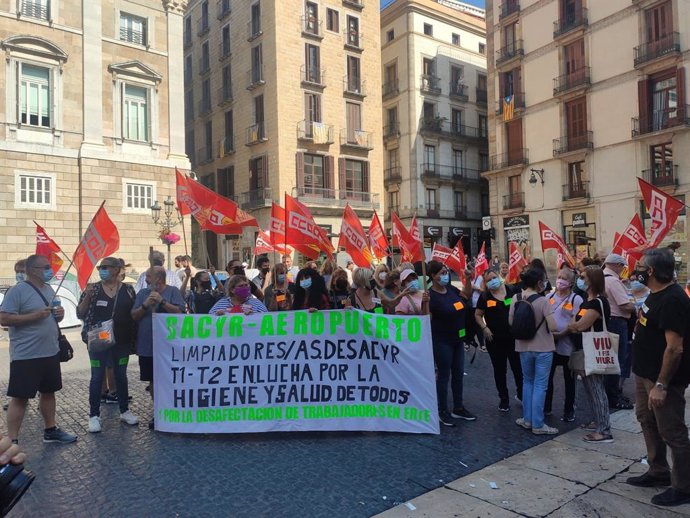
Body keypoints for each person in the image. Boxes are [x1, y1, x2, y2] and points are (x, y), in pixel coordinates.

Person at [626, 248, 690, 506]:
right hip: (644, 374)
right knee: (646, 419)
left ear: (650, 271)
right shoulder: (655, 294)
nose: (637, 269)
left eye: (640, 266)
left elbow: (675, 348)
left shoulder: (673, 299)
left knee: (672, 431)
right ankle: (658, 471)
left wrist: (661, 385)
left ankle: (684, 486)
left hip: (662, 380)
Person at [0, 254, 77, 444]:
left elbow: (51, 317)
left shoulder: (50, 289)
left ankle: (50, 430)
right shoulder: (17, 292)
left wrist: (59, 315)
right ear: (33, 270)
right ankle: (12, 440)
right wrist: (33, 316)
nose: (50, 270)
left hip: (50, 352)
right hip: (26, 355)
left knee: (49, 392)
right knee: (20, 397)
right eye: (46, 267)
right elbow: (4, 318)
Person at [77, 257, 139, 433]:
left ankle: (125, 410)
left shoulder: (128, 289)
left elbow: (133, 312)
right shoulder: (94, 289)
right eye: (100, 267)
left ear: (116, 269)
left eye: (105, 267)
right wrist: (87, 296)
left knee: (121, 375)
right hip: (99, 341)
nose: (101, 270)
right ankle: (94, 415)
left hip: (122, 341)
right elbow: (79, 313)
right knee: (97, 377)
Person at [131, 266, 185, 429]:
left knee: (171, 378)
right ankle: (159, 411)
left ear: (159, 279)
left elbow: (180, 313)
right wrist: (146, 305)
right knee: (153, 380)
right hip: (147, 345)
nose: (145, 280)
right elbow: (134, 316)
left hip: (169, 345)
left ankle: (175, 410)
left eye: (148, 277)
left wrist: (162, 302)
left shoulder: (173, 291)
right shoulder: (142, 294)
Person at [509, 267, 558, 435]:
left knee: (527, 382)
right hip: (543, 348)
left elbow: (511, 322)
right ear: (539, 283)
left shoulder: (515, 298)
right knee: (540, 385)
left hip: (523, 347)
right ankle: (538, 424)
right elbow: (553, 326)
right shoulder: (544, 301)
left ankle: (527, 419)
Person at [567, 266, 613, 443]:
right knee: (590, 389)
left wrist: (574, 325)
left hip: (593, 349)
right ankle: (598, 421)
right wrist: (575, 324)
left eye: (583, 277)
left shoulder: (597, 303)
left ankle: (604, 430)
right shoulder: (588, 302)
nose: (580, 279)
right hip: (586, 350)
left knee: (596, 389)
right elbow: (575, 322)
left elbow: (578, 325)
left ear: (592, 280)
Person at [427, 260, 476, 426]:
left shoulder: (451, 289)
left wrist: (468, 279)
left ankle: (458, 408)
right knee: (444, 376)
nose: (445, 275)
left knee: (458, 374)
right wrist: (423, 304)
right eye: (441, 273)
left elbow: (466, 295)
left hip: (458, 339)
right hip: (442, 341)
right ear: (433, 276)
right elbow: (425, 319)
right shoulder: (430, 296)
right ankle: (442, 410)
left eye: (445, 272)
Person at [475, 268, 523, 411]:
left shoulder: (511, 290)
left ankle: (521, 394)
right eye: (488, 280)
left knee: (518, 368)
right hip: (494, 340)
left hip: (513, 338)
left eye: (493, 278)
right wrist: (484, 328)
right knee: (499, 370)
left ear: (499, 277)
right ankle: (504, 399)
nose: (492, 281)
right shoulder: (485, 296)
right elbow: (477, 314)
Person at [544, 267, 582, 422]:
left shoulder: (576, 299)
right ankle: (546, 407)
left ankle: (569, 410)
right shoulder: (549, 296)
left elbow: (576, 321)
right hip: (550, 345)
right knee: (548, 377)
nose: (560, 280)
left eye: (564, 278)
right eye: (559, 276)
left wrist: (561, 334)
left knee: (569, 380)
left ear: (571, 282)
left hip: (567, 346)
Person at [602, 253, 635, 410]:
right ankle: (613, 397)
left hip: (606, 322)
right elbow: (624, 305)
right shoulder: (613, 281)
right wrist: (634, 307)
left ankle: (609, 394)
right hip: (616, 322)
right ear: (616, 265)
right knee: (617, 360)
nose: (623, 269)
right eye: (623, 266)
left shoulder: (600, 277)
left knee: (609, 360)